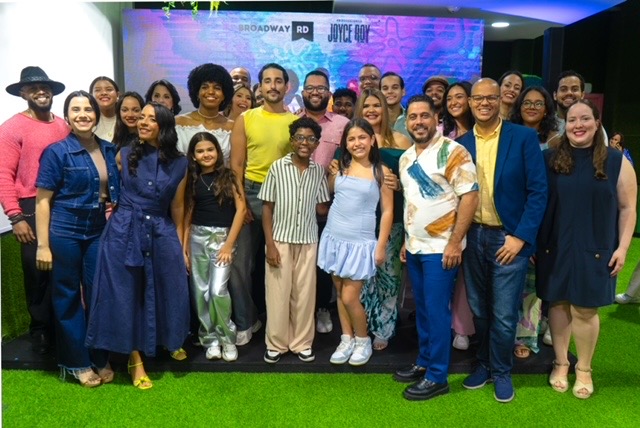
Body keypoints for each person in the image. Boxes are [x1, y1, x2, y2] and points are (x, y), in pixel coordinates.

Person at [85, 102, 190, 390]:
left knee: (168, 286)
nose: (142, 122)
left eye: (150, 118)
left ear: (164, 126)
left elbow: (178, 206)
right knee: (126, 293)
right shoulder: (124, 153)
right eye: (141, 117)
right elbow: (107, 187)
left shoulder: (180, 163)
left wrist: (180, 244)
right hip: (124, 230)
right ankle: (135, 359)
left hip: (161, 230)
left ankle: (169, 339)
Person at [536, 100, 636, 399]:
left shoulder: (617, 162)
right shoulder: (549, 159)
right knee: (557, 304)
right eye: (572, 120)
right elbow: (537, 202)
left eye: (585, 119)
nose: (578, 125)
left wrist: (623, 248)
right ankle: (561, 362)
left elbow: (628, 208)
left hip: (596, 248)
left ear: (596, 122)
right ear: (565, 125)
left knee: (585, 308)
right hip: (555, 246)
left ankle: (584, 369)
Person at [458, 78, 547, 403]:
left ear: (500, 101)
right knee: (479, 308)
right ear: (470, 103)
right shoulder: (461, 144)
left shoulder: (522, 137)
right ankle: (483, 364)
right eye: (478, 98)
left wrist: (521, 237)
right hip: (473, 236)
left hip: (508, 239)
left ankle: (502, 371)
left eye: (490, 97)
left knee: (505, 313)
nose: (484, 103)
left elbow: (538, 192)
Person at [394, 95, 478, 401]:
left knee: (437, 311)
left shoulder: (454, 151)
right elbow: (412, 202)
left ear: (436, 119)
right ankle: (425, 361)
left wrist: (455, 242)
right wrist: (407, 240)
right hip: (415, 247)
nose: (418, 122)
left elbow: (470, 196)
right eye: (413, 117)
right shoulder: (406, 158)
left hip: (442, 248)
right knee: (423, 309)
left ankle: (437, 376)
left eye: (424, 116)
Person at [35, 90, 119, 387]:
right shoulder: (56, 152)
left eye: (88, 109)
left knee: (99, 294)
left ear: (96, 115)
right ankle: (76, 362)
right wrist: (43, 245)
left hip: (98, 229)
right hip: (65, 230)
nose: (83, 114)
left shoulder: (109, 149)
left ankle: (99, 356)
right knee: (68, 296)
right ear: (67, 116)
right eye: (76, 110)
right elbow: (42, 201)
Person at [0, 66, 69, 355]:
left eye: (45, 86)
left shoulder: (63, 125)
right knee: (37, 270)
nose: (41, 91)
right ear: (23, 93)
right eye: (33, 87)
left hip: (63, 204)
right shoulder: (12, 128)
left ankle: (62, 329)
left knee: (63, 269)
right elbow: (3, 174)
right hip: (29, 205)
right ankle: (40, 330)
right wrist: (15, 216)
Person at [230, 63, 298, 346]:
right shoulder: (246, 118)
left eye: (278, 81)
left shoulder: (295, 121)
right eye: (267, 81)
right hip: (250, 193)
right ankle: (247, 320)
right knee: (239, 265)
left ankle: (279, 324)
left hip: (283, 197)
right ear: (259, 86)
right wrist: (241, 205)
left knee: (280, 265)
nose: (273, 86)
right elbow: (236, 165)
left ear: (286, 87)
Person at [318, 118, 393, 366]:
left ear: (372, 140)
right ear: (345, 143)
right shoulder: (341, 167)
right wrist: (331, 173)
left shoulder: (381, 172)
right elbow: (331, 192)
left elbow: (387, 212)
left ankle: (363, 340)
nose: (357, 143)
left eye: (362, 137)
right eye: (351, 139)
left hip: (360, 243)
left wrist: (380, 245)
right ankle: (346, 338)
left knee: (351, 297)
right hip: (334, 237)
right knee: (340, 293)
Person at [259, 118, 331, 363]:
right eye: (300, 137)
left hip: (308, 241)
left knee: (304, 295)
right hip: (280, 240)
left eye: (311, 139)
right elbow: (267, 208)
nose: (304, 143)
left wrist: (339, 181)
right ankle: (276, 343)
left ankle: (302, 342)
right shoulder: (277, 167)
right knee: (277, 294)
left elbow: (321, 208)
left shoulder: (318, 171)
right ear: (292, 141)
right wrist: (270, 244)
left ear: (317, 144)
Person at [183, 132, 246, 362]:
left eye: (210, 149)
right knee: (200, 291)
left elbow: (241, 210)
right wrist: (184, 247)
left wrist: (228, 244)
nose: (206, 154)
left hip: (222, 239)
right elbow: (188, 213)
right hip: (197, 237)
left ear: (218, 152)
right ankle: (209, 339)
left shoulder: (229, 176)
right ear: (193, 155)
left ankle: (227, 338)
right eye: (200, 151)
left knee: (218, 290)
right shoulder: (192, 179)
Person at [507, 85, 559, 359]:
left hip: (541, 219)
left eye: (538, 103)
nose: (532, 107)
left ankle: (525, 336)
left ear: (547, 109)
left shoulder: (555, 142)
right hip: (511, 219)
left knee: (531, 284)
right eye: (527, 102)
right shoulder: (509, 136)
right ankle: (502, 334)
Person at [355, 88, 409, 350]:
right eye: (366, 106)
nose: (371, 110)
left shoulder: (402, 141)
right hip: (360, 221)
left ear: (385, 109)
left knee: (388, 277)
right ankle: (363, 324)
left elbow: (415, 183)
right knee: (362, 278)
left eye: (376, 105)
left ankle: (384, 329)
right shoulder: (355, 139)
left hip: (394, 220)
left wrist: (400, 185)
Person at [297, 70, 349, 334]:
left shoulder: (342, 124)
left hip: (332, 205)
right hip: (297, 206)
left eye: (321, 88)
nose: (315, 92)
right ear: (303, 92)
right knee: (301, 263)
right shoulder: (292, 121)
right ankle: (300, 311)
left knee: (326, 262)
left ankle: (322, 308)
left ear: (329, 92)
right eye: (310, 88)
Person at [439, 80, 477, 351]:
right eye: (449, 98)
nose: (454, 102)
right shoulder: (442, 133)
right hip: (443, 213)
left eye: (459, 97)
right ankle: (444, 326)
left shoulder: (481, 134)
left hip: (474, 209)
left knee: (467, 275)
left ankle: (463, 328)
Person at [175, 64, 235, 163]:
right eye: (204, 87)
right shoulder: (178, 123)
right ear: (197, 93)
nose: (211, 91)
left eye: (217, 88)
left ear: (224, 95)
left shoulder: (233, 127)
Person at [90, 76, 120, 142]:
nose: (104, 93)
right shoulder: (88, 121)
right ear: (91, 96)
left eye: (109, 89)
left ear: (117, 95)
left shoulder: (125, 119)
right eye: (97, 90)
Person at [380, 72, 407, 136]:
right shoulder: (374, 118)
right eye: (385, 88)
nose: (390, 91)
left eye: (395, 87)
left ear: (403, 91)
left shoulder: (411, 117)